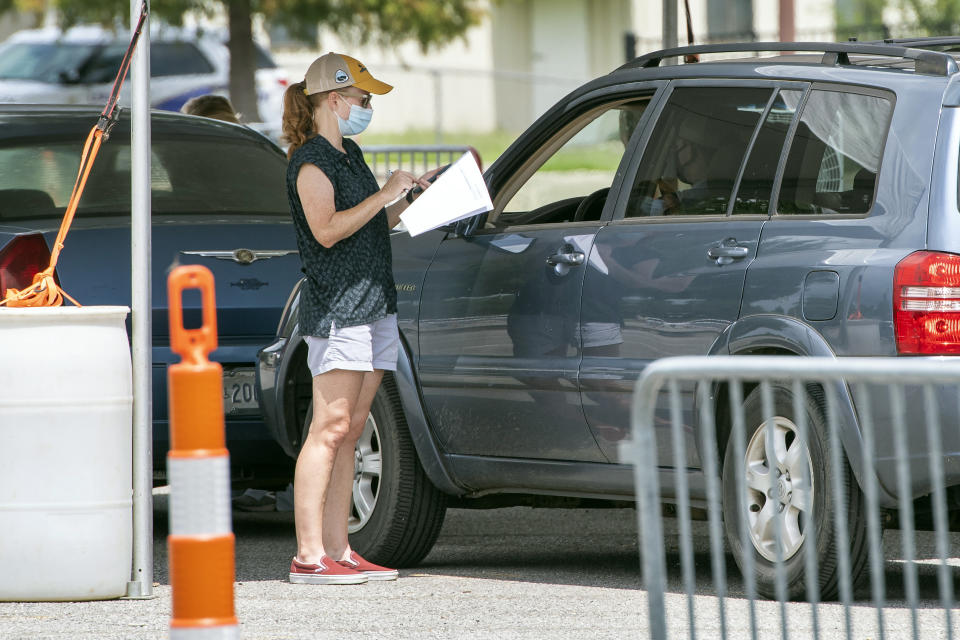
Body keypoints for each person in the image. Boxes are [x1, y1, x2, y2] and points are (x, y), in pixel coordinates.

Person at [280, 52, 436, 585]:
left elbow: (370, 223)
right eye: (364, 99)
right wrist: (385, 194)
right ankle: (307, 555)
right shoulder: (311, 161)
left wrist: (410, 200)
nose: (368, 107)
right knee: (328, 430)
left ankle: (339, 549)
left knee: (349, 432)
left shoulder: (350, 155)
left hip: (374, 305)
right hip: (339, 308)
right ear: (334, 99)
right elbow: (327, 230)